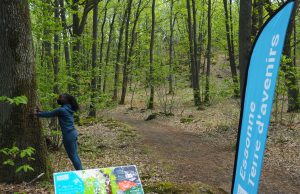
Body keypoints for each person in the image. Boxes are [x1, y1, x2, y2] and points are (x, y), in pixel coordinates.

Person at [34, 94, 83, 170]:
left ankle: (80, 172)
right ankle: (81, 171)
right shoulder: (68, 108)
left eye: (61, 97)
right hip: (73, 133)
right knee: (75, 154)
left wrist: (37, 114)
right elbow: (51, 113)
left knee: (72, 155)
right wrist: (40, 112)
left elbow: (49, 114)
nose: (59, 99)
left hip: (68, 135)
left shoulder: (62, 110)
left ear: (66, 100)